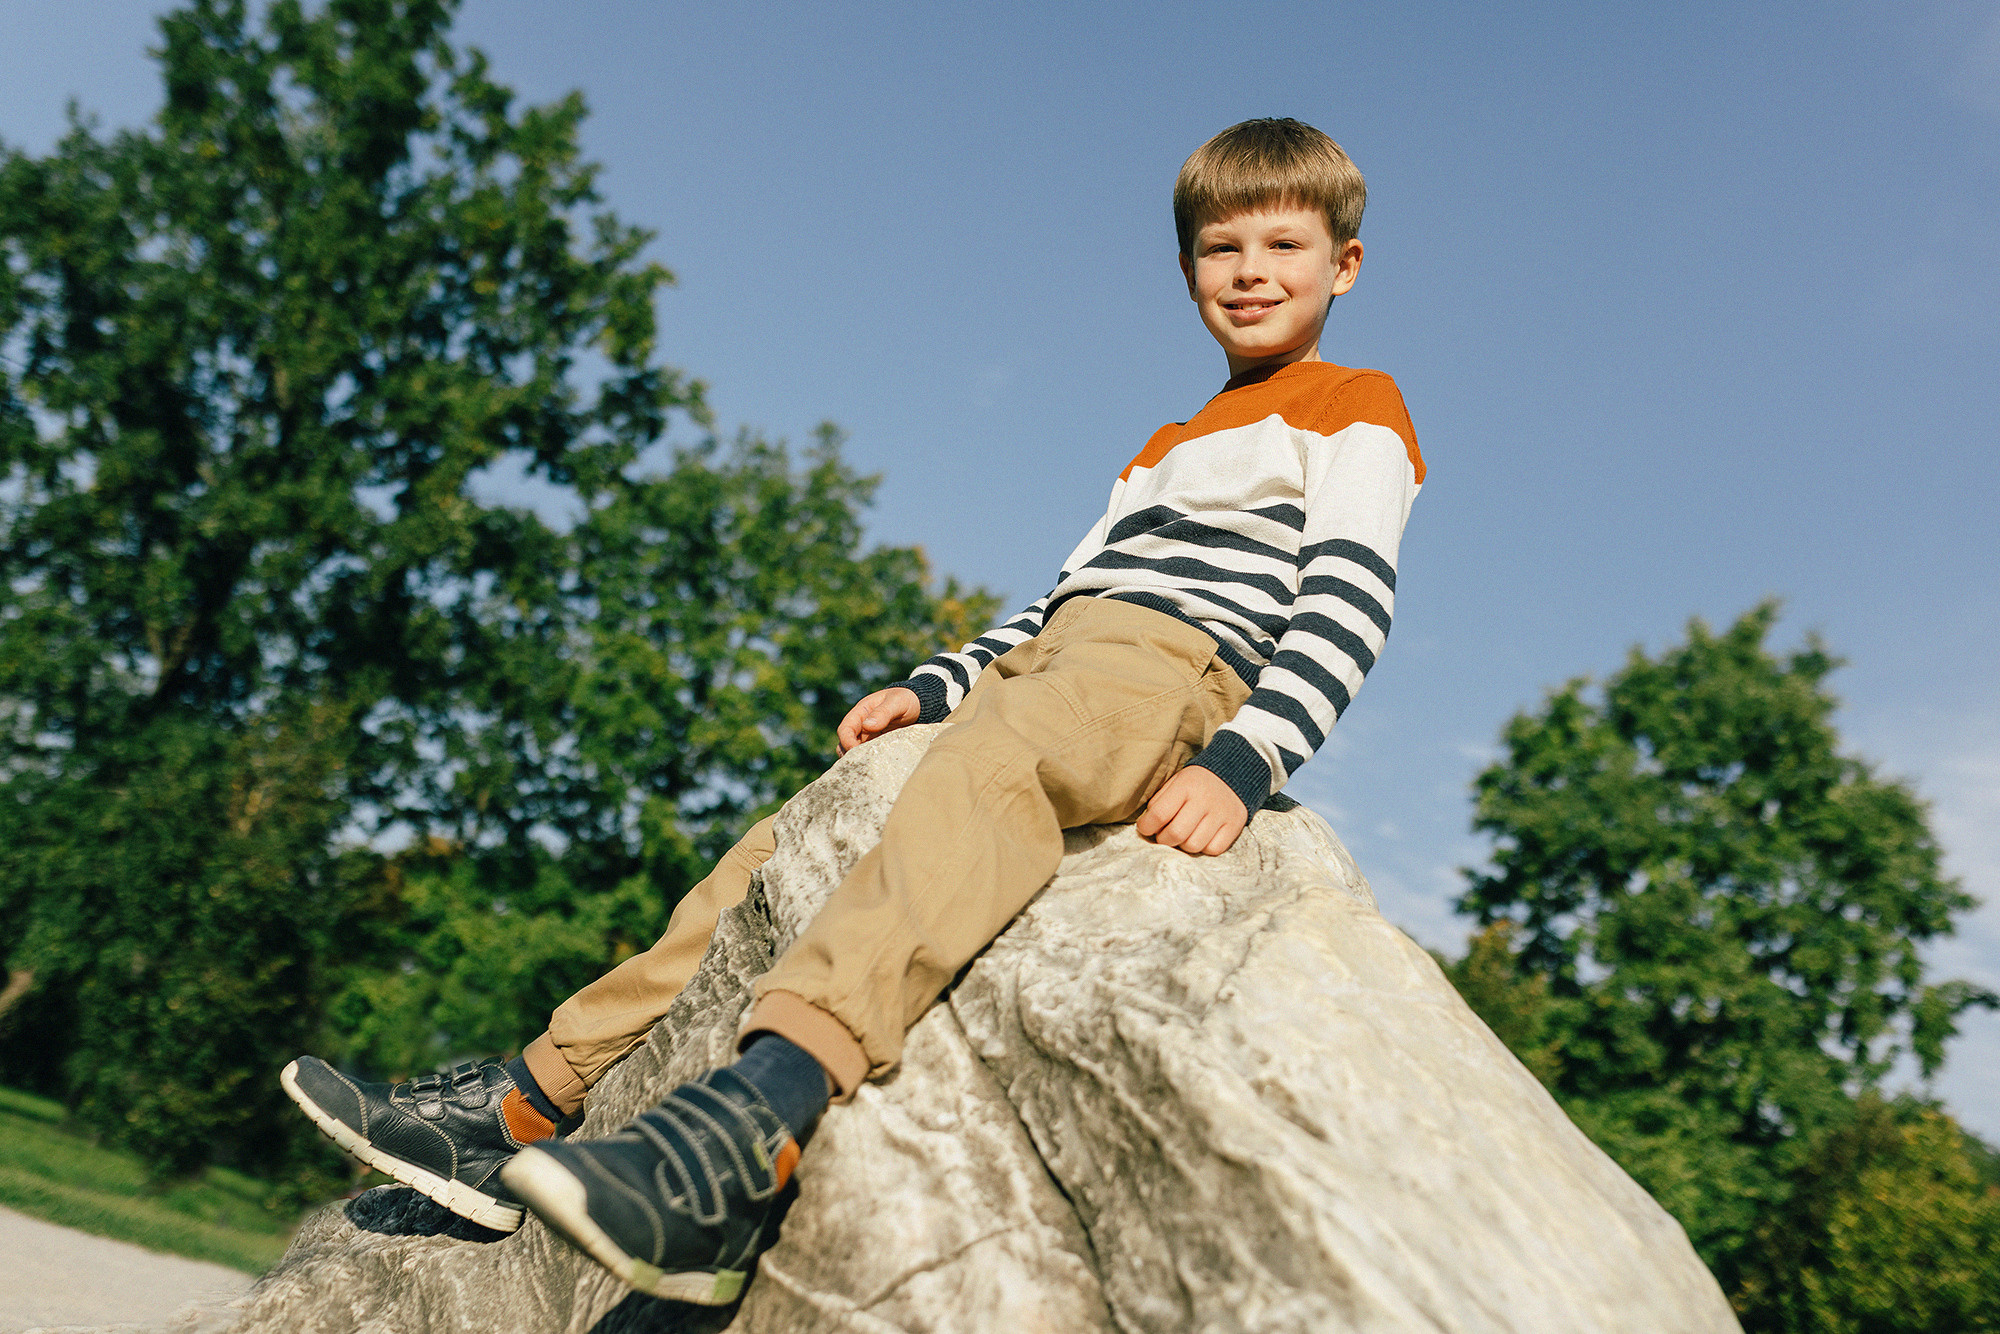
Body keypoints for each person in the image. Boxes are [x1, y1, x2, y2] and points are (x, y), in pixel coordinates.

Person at [281, 116, 1425, 1305]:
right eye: (1217, 246)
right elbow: (1058, 597)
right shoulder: (1166, 443)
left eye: (1282, 245)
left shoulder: (1357, 404)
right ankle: (529, 1096)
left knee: (995, 778)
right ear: (1185, 267)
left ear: (1342, 263)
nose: (1248, 272)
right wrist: (937, 683)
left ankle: (752, 1129)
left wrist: (1245, 759)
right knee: (783, 844)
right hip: (1065, 654)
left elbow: (1346, 604)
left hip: (1172, 667)